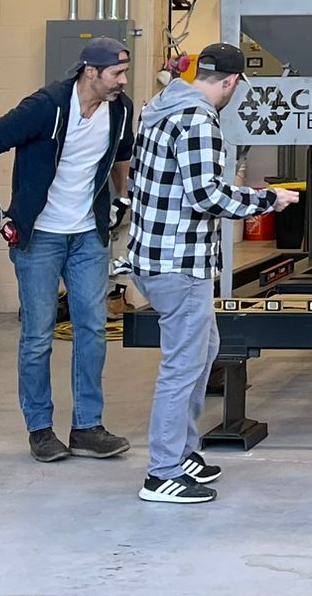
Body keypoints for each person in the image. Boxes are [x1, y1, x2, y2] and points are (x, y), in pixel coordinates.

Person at [126, 43, 298, 505]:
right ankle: (161, 474)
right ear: (231, 82)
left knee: (206, 348)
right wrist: (268, 199)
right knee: (182, 365)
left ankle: (182, 454)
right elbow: (206, 196)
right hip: (178, 261)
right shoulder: (199, 119)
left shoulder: (158, 107)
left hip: (153, 255)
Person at [0, 36, 137, 464]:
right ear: (90, 71)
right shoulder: (46, 106)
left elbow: (121, 153)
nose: (123, 80)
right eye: (116, 73)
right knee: (38, 336)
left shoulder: (120, 110)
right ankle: (40, 430)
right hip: (40, 235)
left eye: (124, 72)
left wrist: (122, 196)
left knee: (92, 330)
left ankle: (87, 427)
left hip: (87, 235)